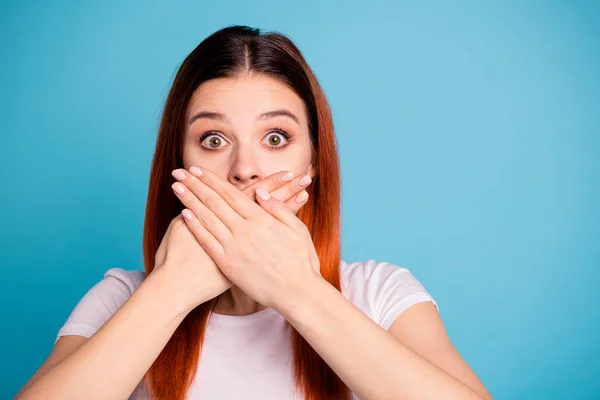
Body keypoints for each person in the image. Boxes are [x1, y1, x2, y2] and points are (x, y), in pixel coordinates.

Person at [15, 25, 493, 400]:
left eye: (276, 138)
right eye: (214, 140)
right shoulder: (123, 299)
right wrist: (168, 291)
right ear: (179, 166)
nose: (244, 170)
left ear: (314, 161)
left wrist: (297, 290)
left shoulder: (381, 296)